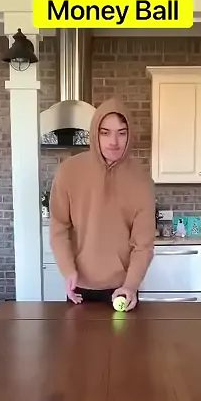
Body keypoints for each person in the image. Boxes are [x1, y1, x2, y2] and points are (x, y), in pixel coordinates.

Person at [49, 98, 156, 309]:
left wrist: (131, 285)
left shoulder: (142, 180)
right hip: (78, 288)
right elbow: (59, 227)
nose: (114, 141)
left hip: (122, 290)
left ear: (129, 135)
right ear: (94, 133)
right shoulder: (69, 171)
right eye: (105, 132)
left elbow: (143, 244)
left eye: (121, 133)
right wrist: (67, 270)